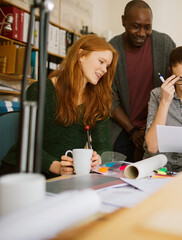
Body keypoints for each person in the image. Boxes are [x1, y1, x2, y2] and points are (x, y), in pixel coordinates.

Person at [0, 35, 118, 179]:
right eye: (101, 62)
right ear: (81, 55)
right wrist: (54, 165)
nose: (105, 70)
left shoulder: (99, 101)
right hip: (24, 172)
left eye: (107, 66)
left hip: (63, 177)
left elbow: (104, 147)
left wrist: (99, 159)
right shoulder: (40, 90)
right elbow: (27, 142)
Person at [109, 0, 176, 162]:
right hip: (123, 128)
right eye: (135, 26)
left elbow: (178, 80)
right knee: (119, 173)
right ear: (123, 21)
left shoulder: (164, 44)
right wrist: (132, 131)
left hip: (158, 125)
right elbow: (108, 98)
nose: (141, 33)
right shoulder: (112, 49)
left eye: (147, 27)